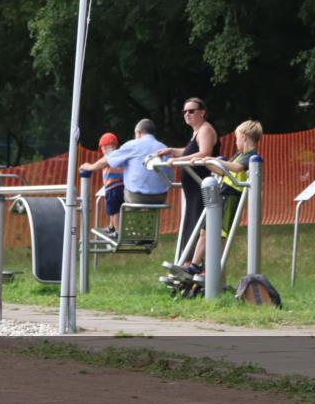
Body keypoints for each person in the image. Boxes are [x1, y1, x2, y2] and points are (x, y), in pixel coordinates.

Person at [183, 120, 263, 277]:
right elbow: (223, 171)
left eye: (237, 138)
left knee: (219, 234)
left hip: (231, 196)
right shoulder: (238, 155)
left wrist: (218, 161)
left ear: (245, 137)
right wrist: (206, 162)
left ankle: (211, 270)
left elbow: (237, 168)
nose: (236, 141)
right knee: (205, 231)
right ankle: (194, 265)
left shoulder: (251, 156)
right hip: (222, 193)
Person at [156, 97, 220, 267]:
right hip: (192, 188)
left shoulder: (206, 130)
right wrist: (172, 152)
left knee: (198, 223)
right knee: (191, 222)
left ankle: (196, 265)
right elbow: (191, 150)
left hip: (202, 184)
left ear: (202, 112)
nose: (187, 114)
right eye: (184, 111)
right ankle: (188, 262)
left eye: (191, 111)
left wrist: (178, 160)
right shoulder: (196, 132)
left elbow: (205, 152)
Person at [81, 119, 170, 205]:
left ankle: (128, 219)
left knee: (120, 190)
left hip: (138, 197)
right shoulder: (164, 147)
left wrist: (90, 167)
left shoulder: (133, 145)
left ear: (138, 133)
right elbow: (169, 176)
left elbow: (107, 160)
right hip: (161, 197)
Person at [97, 132, 124, 234]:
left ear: (104, 147)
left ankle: (117, 231)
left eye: (103, 148)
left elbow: (99, 165)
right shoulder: (120, 156)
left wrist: (89, 167)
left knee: (114, 211)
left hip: (112, 187)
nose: (103, 150)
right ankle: (112, 226)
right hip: (121, 186)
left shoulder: (107, 157)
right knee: (114, 208)